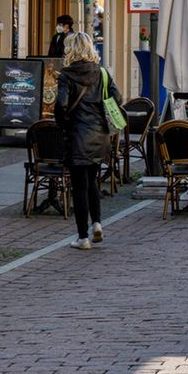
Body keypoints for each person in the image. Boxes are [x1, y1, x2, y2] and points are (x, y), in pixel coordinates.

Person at [52, 32, 123, 250]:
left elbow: (61, 104)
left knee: (79, 187)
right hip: (100, 136)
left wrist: (62, 122)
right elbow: (118, 98)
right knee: (92, 181)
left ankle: (83, 237)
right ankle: (97, 223)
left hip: (77, 136)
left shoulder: (66, 75)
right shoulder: (102, 73)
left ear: (70, 50)